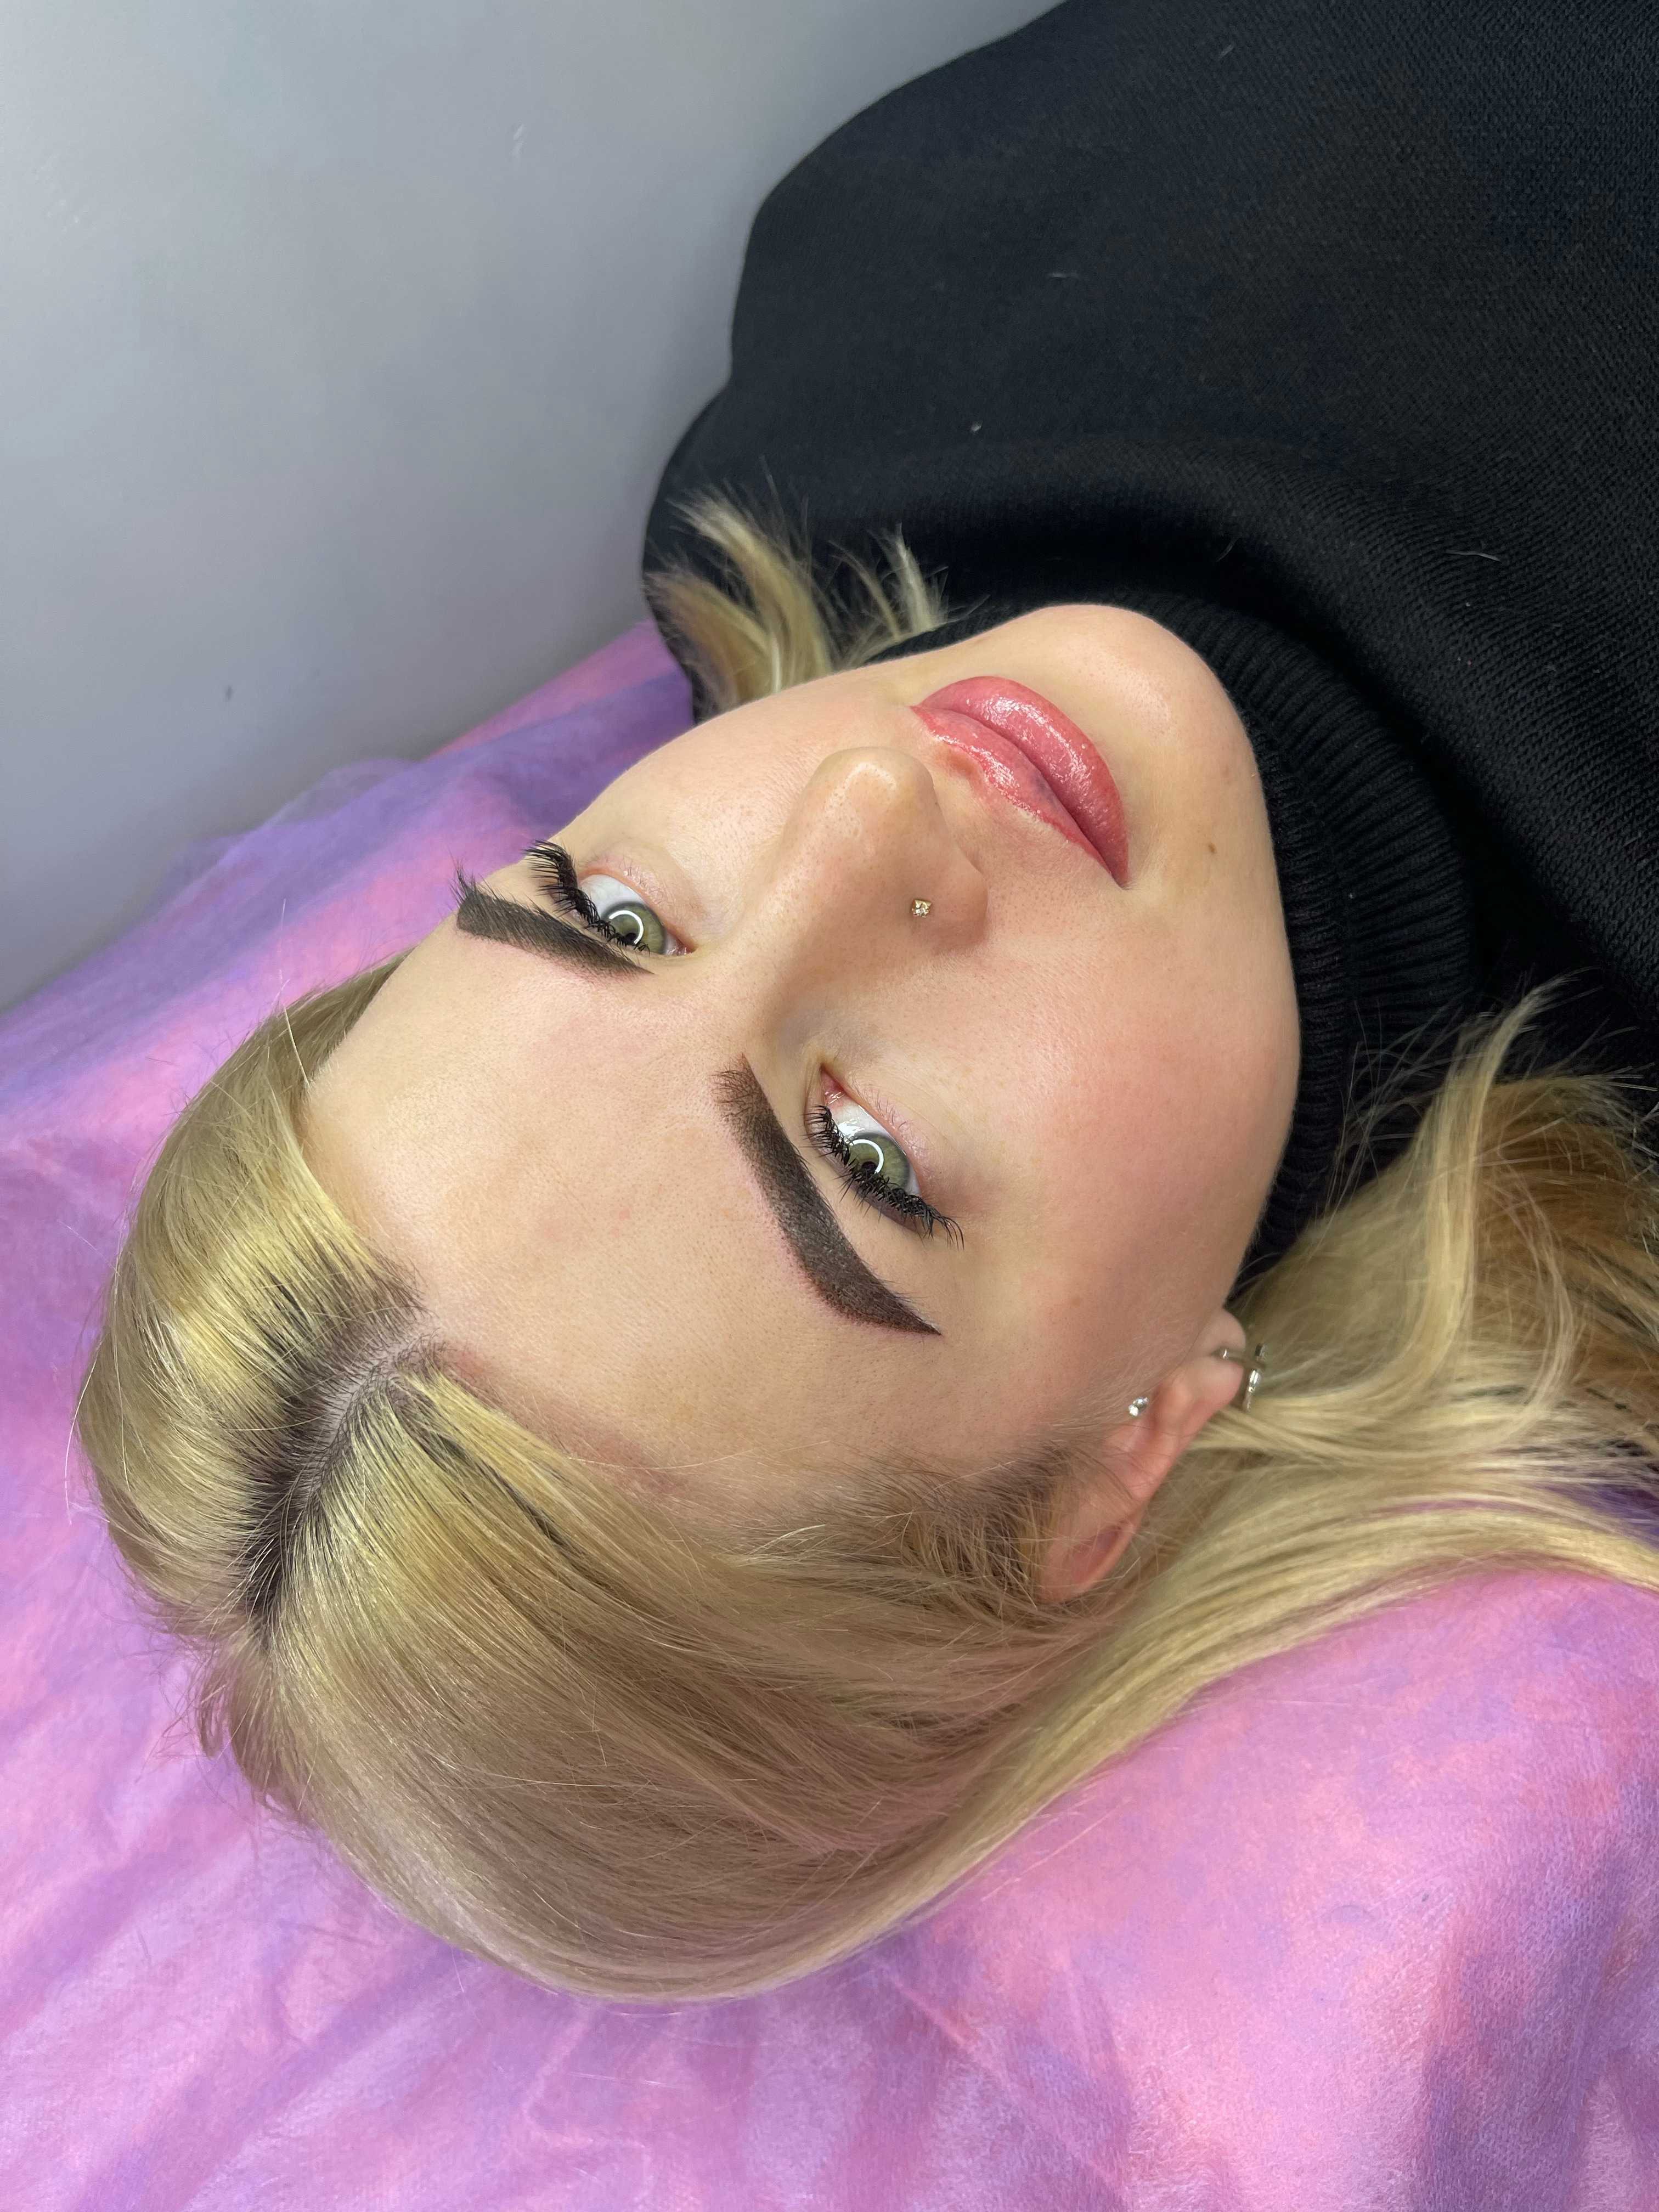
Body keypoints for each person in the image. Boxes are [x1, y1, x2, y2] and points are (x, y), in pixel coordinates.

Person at [78, 0, 1658, 2003]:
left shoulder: (849, 357)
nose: (858, 810)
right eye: (864, 1156)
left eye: (613, 915)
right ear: (1116, 1463)